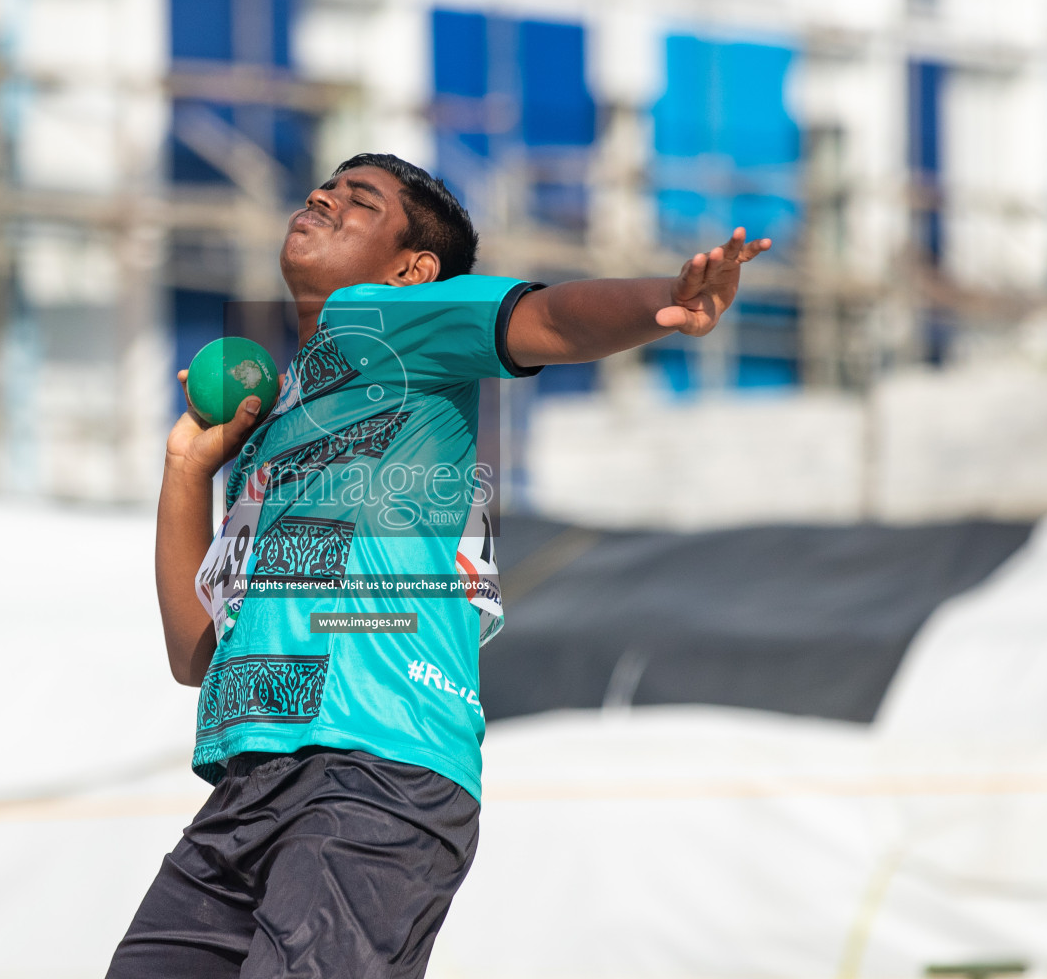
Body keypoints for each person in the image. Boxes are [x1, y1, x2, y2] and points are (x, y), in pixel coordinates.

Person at [106, 153, 770, 979]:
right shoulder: (271, 431)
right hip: (249, 783)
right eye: (324, 187)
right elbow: (195, 654)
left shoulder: (390, 319)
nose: (322, 197)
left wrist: (667, 299)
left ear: (412, 270)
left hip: (375, 770)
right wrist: (188, 471)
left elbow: (553, 319)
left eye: (359, 201)